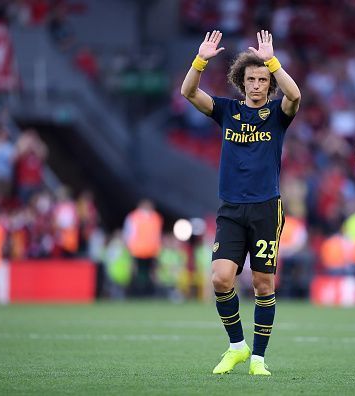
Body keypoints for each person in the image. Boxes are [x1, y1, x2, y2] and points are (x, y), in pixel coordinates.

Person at [180, 29, 301, 376]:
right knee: (220, 278)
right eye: (251, 79)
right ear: (241, 81)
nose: (257, 85)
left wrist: (272, 61)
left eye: (263, 79)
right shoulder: (227, 111)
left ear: (269, 82)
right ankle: (237, 346)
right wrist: (200, 59)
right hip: (231, 208)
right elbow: (188, 92)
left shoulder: (279, 114)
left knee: (263, 285)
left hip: (266, 207)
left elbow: (295, 94)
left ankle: (259, 360)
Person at [123, 199, 163, 297]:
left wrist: (158, 248)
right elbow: (129, 233)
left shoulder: (156, 217)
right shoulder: (133, 217)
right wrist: (128, 246)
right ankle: (134, 294)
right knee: (135, 273)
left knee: (152, 274)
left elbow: (157, 234)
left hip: (151, 251)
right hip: (137, 250)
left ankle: (150, 293)